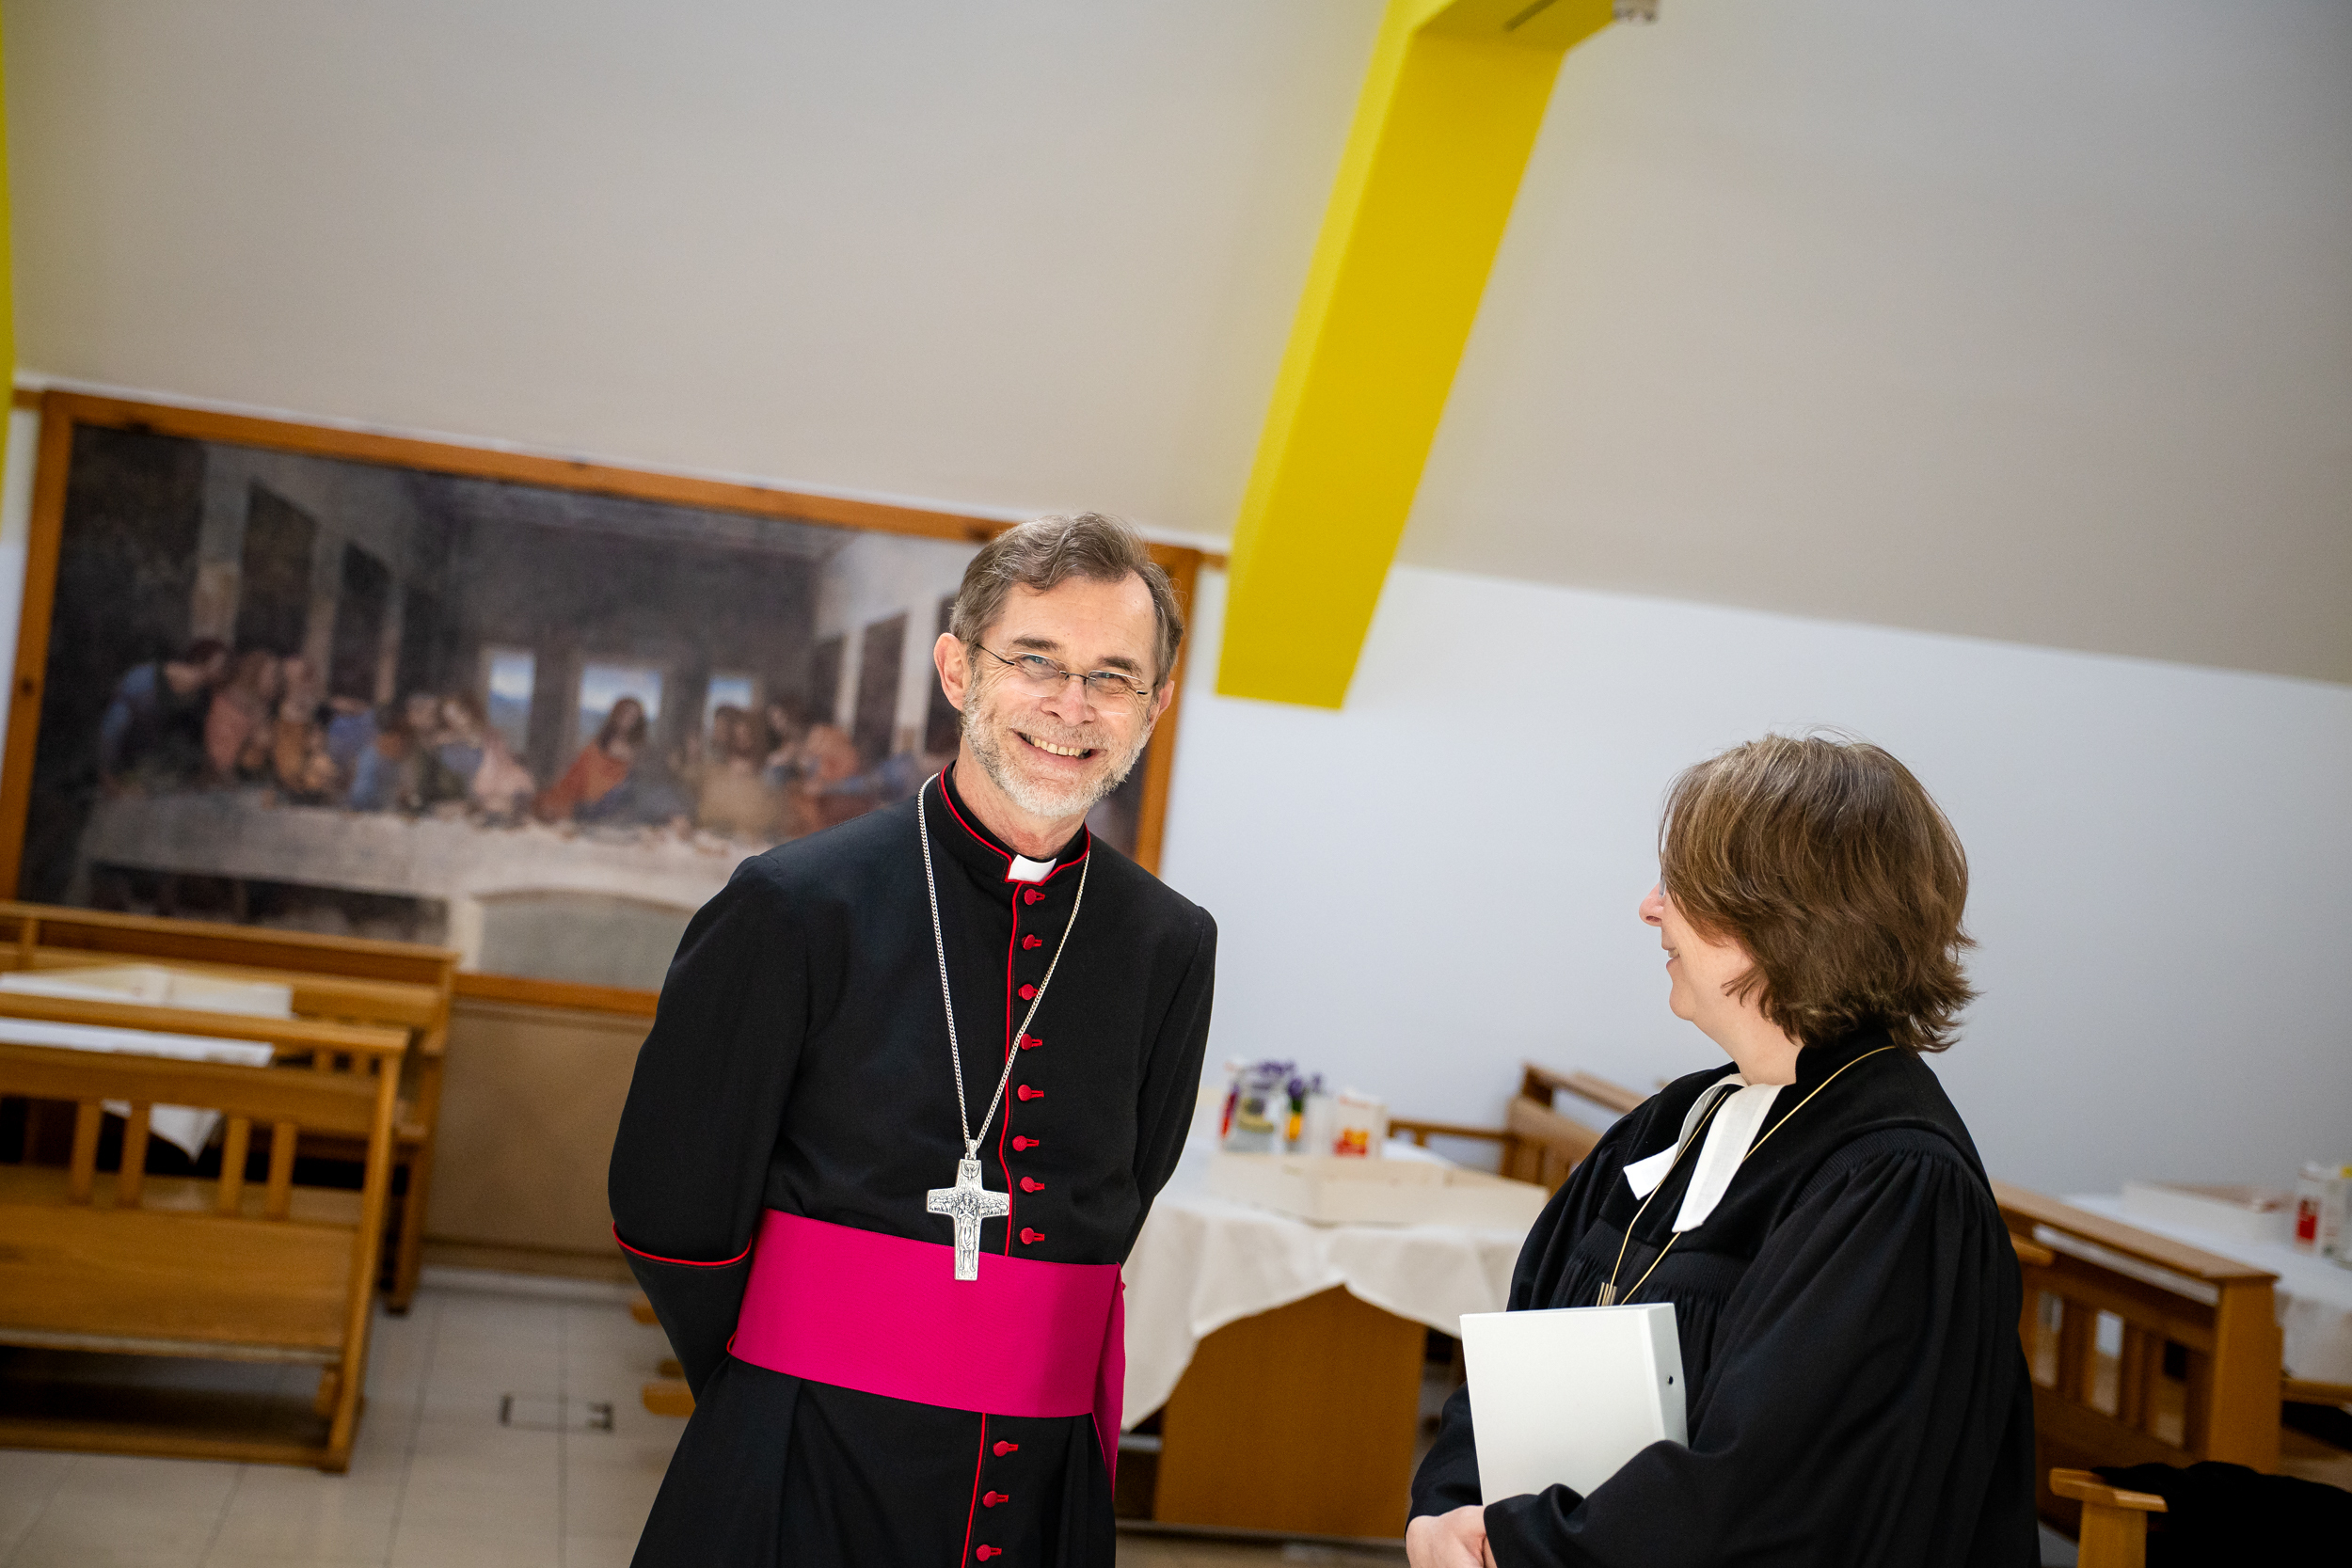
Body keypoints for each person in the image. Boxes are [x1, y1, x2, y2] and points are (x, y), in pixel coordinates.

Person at [610, 513, 1216, 1567]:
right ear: (957, 669)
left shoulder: (1169, 943)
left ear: (1155, 705)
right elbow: (671, 1208)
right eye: (1036, 660)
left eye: (1113, 676)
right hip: (805, 1444)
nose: (1072, 706)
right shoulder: (795, 904)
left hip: (1041, 1479)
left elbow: (1129, 1191)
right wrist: (786, 1363)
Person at [1407, 734, 2036, 1568]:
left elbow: (1769, 1498)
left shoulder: (1894, 1185)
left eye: (1681, 884)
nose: (1649, 908)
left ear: (1780, 915)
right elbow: (1517, 1351)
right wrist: (1446, 1509)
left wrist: (1522, 1547)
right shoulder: (1673, 1122)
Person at [97, 639, 228, 791]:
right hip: (132, 768)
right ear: (200, 660)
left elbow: (196, 739)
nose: (225, 670)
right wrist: (107, 776)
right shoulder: (143, 679)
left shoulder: (204, 695)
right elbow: (113, 729)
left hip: (175, 777)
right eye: (222, 664)